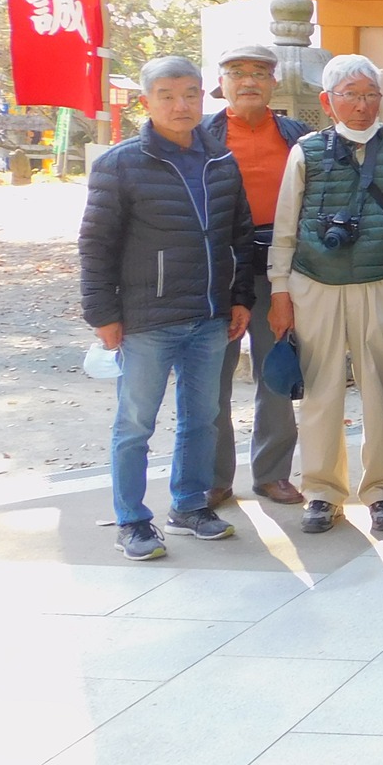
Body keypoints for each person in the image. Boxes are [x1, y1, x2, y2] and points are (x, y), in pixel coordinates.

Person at [79, 56, 255, 560]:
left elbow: (239, 237)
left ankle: (190, 505)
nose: (181, 106)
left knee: (203, 416)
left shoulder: (221, 160)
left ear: (204, 97)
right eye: (168, 95)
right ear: (147, 101)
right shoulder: (120, 164)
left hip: (209, 317)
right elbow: (96, 246)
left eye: (190, 94)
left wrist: (240, 298)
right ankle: (132, 520)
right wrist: (103, 316)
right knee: (135, 422)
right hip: (147, 319)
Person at [268, 54, 383, 535]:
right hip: (314, 285)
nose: (361, 105)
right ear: (328, 101)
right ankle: (322, 491)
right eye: (350, 95)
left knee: (382, 391)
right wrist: (280, 291)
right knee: (320, 391)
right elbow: (285, 230)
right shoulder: (305, 151)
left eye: (369, 95)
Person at [198, 41, 311, 507]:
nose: (248, 81)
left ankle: (271, 472)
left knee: (276, 369)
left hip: (279, 264)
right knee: (211, 375)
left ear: (274, 83)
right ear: (220, 84)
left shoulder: (295, 135)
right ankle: (213, 476)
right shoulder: (201, 136)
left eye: (260, 73)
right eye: (237, 72)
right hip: (217, 265)